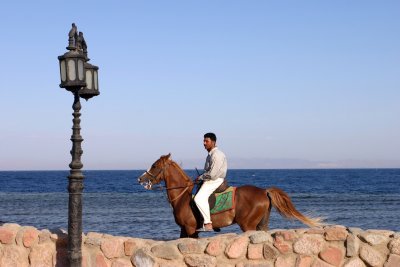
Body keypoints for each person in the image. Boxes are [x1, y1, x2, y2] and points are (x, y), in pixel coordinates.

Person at [194, 132, 227, 231]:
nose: (204, 143)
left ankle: (208, 223)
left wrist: (200, 178)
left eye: (206, 141)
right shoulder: (210, 155)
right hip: (211, 178)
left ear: (213, 142)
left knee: (198, 198)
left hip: (215, 180)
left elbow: (212, 174)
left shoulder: (217, 155)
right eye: (203, 141)